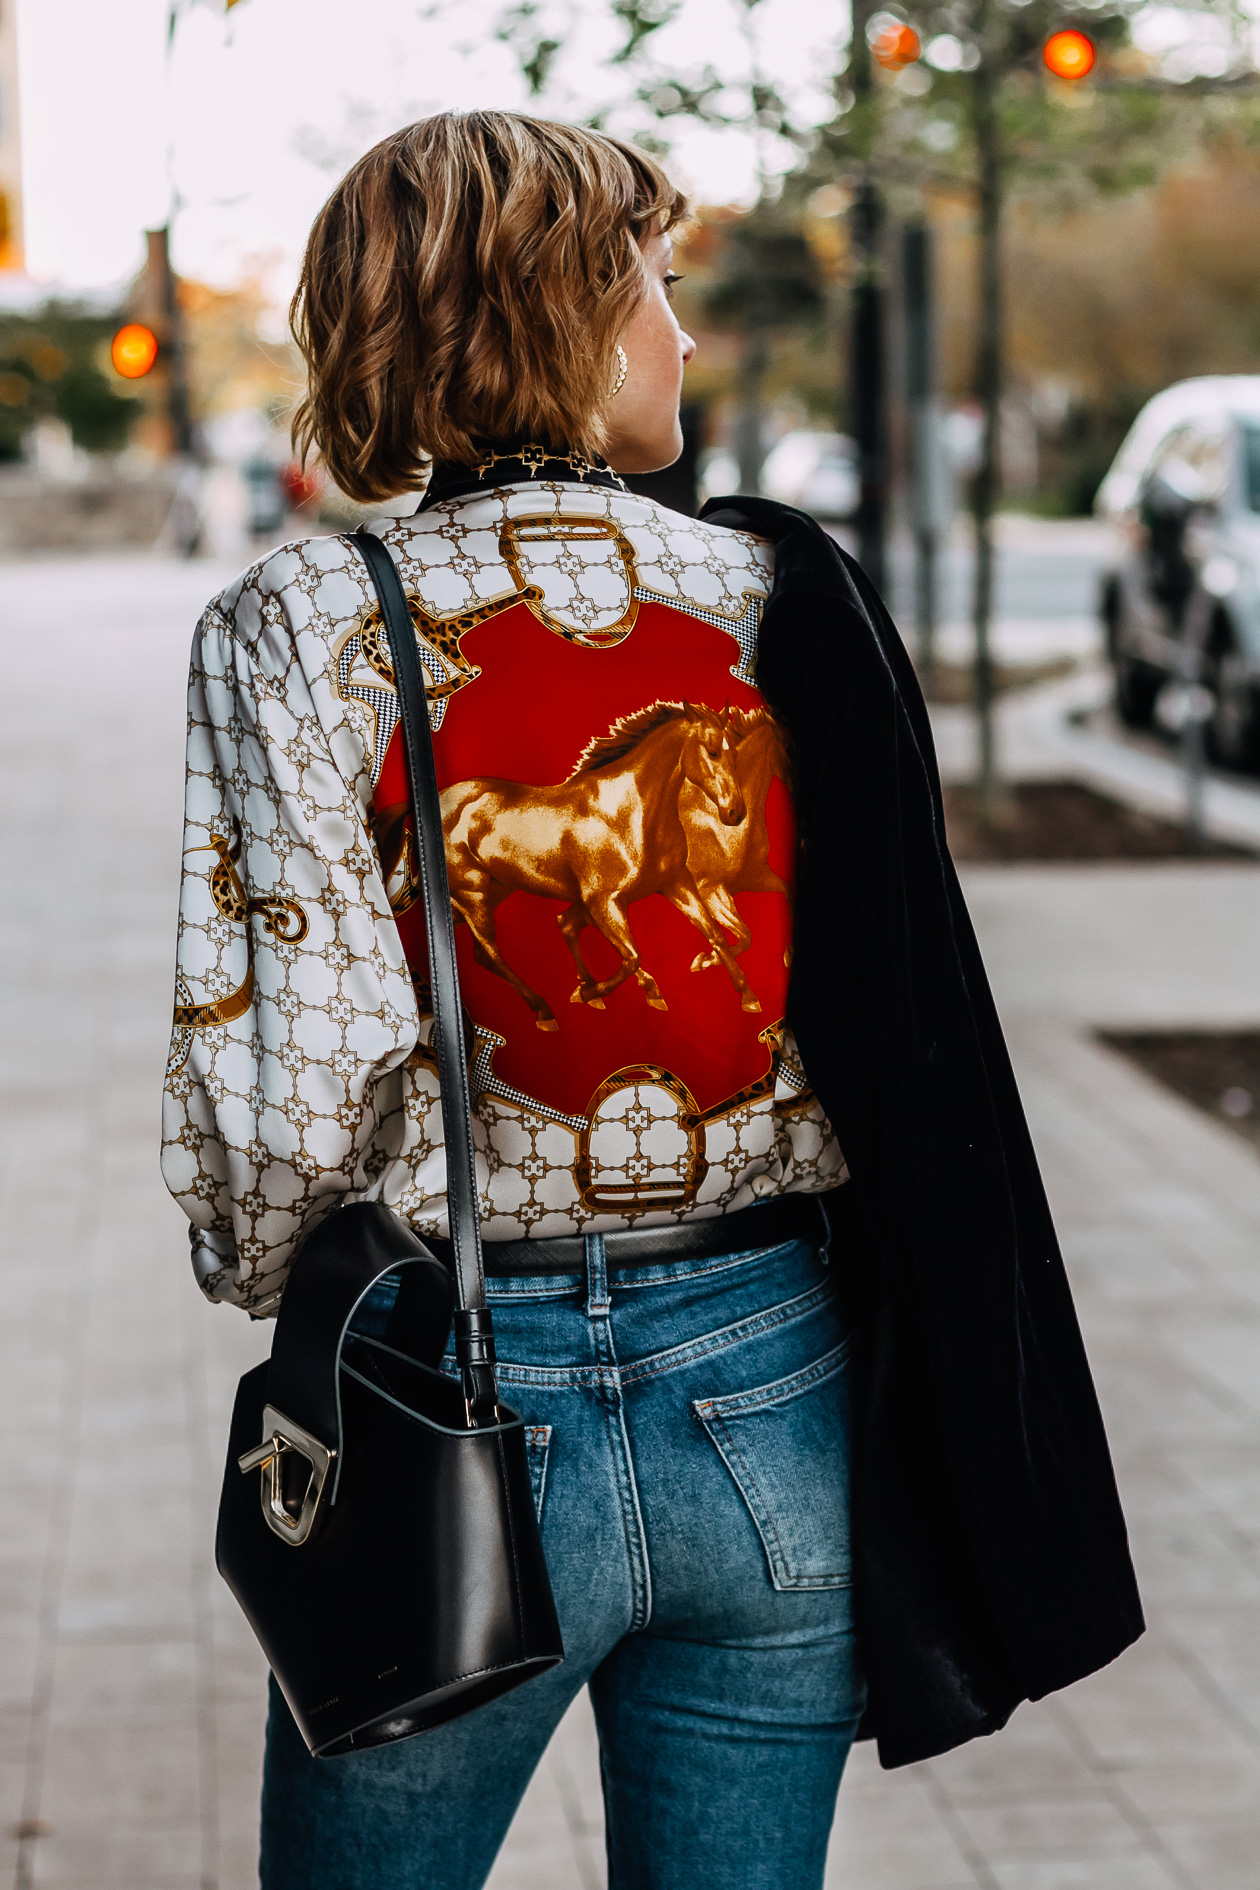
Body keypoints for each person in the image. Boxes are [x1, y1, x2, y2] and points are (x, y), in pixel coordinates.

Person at [161, 112, 1141, 1890]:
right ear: (559, 313)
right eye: (658, 288)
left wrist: (278, 1282)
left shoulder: (301, 621)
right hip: (776, 1396)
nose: (682, 336)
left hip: (454, 1389)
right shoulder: (779, 595)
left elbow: (284, 1119)